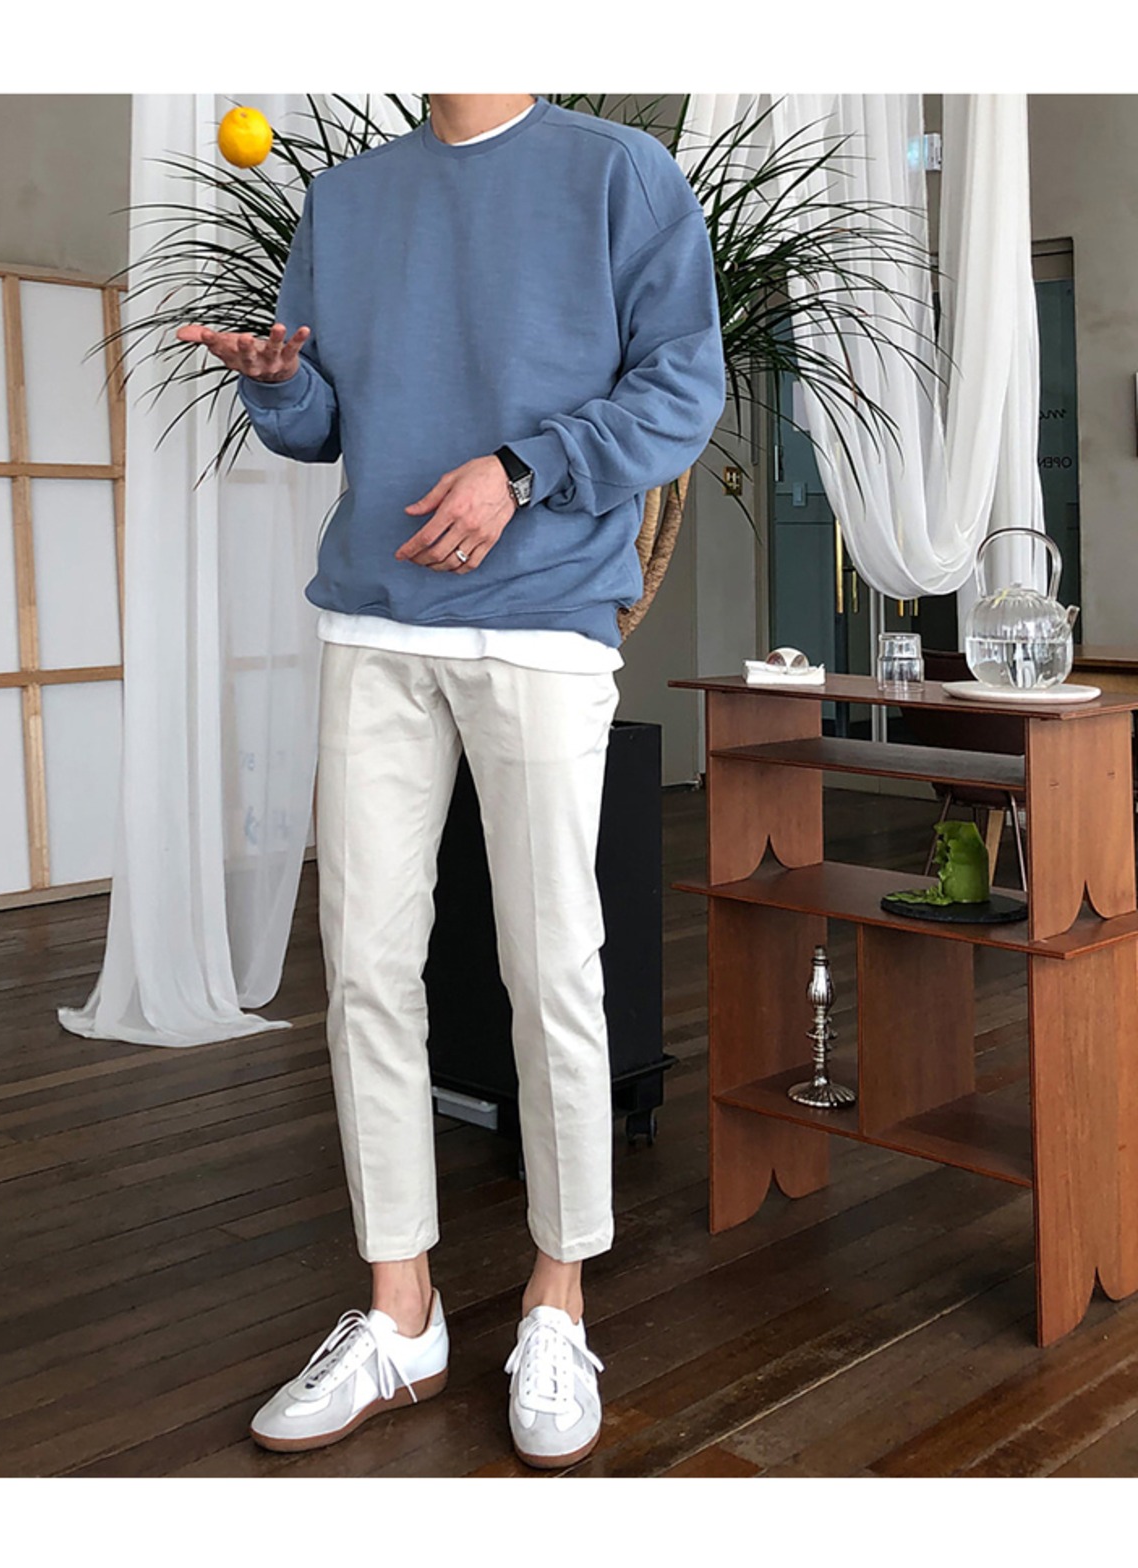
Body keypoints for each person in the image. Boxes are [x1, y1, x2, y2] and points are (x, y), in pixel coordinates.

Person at [178, 91, 724, 1469]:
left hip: (543, 623)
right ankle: (399, 1309)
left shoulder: (620, 176)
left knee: (553, 969)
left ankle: (558, 1300)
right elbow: (325, 425)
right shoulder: (346, 197)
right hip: (374, 622)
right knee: (366, 966)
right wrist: (276, 380)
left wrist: (524, 470)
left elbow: (682, 389)